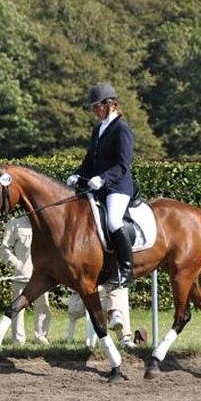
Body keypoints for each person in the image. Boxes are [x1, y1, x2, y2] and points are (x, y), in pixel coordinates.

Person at [66, 82, 136, 290]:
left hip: (117, 187)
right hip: (97, 187)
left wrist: (103, 178)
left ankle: (126, 270)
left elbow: (123, 164)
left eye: (97, 106)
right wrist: (78, 175)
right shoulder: (98, 129)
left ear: (110, 104)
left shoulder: (122, 129)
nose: (95, 111)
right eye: (93, 107)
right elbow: (90, 161)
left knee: (114, 221)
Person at [0, 215, 52, 345]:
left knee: (43, 306)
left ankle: (41, 336)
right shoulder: (15, 223)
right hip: (21, 275)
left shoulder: (46, 224)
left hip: (41, 276)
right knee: (17, 308)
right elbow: (5, 247)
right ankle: (18, 340)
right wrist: (17, 265)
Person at [67, 285, 136, 349]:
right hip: (90, 289)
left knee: (121, 288)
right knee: (111, 293)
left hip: (107, 288)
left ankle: (111, 331)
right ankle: (116, 320)